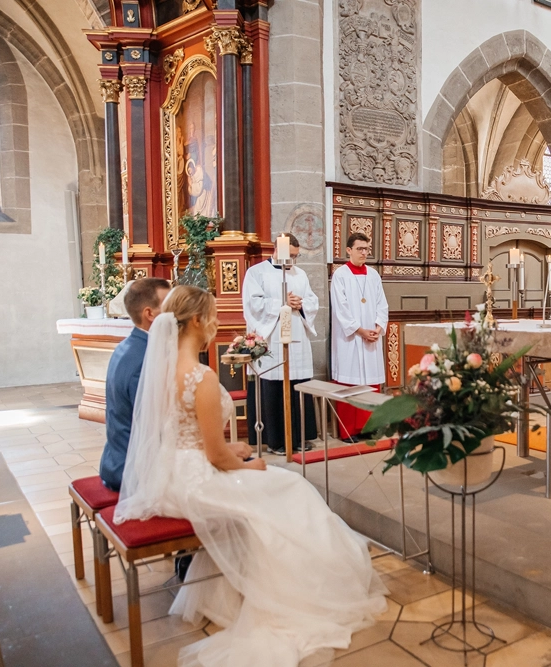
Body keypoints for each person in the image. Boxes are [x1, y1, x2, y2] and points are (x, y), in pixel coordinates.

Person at [114, 286, 386, 666]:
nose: (216, 323)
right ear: (197, 321)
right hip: (198, 478)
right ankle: (299, 588)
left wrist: (233, 451)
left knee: (277, 490)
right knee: (292, 487)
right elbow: (216, 456)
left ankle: (243, 586)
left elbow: (186, 436)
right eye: (212, 316)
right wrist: (247, 464)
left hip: (171, 472)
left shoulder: (160, 370)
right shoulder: (201, 377)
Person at [242, 233, 319, 454]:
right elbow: (253, 304)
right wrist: (282, 302)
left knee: (297, 386)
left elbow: (312, 300)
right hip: (272, 338)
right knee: (274, 385)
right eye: (290, 255)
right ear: (276, 250)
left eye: (296, 256)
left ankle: (299, 437)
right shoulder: (256, 273)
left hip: (296, 338)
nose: (292, 260)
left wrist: (301, 304)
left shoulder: (300, 274)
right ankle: (276, 441)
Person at [99, 277, 171, 491]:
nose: (176, 313)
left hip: (115, 459)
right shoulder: (145, 358)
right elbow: (156, 427)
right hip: (134, 470)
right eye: (169, 306)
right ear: (150, 314)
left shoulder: (126, 347)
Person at [330, 232, 389, 442]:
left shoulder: (373, 275)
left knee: (370, 384)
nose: (364, 253)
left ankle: (370, 427)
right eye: (359, 249)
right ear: (349, 250)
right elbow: (341, 308)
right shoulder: (340, 275)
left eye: (366, 249)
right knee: (350, 383)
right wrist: (360, 330)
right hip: (350, 339)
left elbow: (382, 304)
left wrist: (378, 327)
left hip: (371, 337)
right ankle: (349, 431)